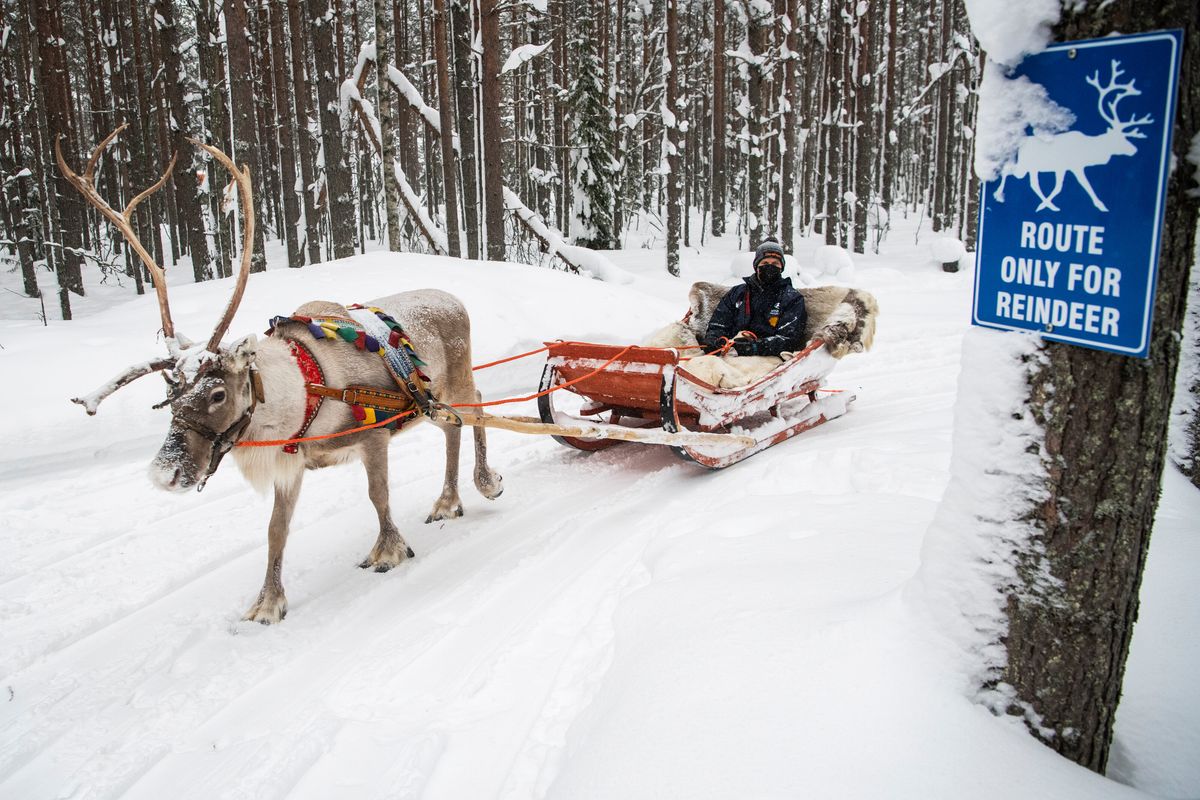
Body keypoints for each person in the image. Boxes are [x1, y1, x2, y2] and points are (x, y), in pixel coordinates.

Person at [701, 238, 808, 357]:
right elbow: (718, 324)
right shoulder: (737, 293)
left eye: (775, 264)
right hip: (729, 351)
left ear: (781, 267)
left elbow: (788, 339)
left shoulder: (792, 298)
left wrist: (751, 347)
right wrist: (714, 340)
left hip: (769, 358)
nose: (770, 267)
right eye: (765, 263)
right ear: (756, 266)